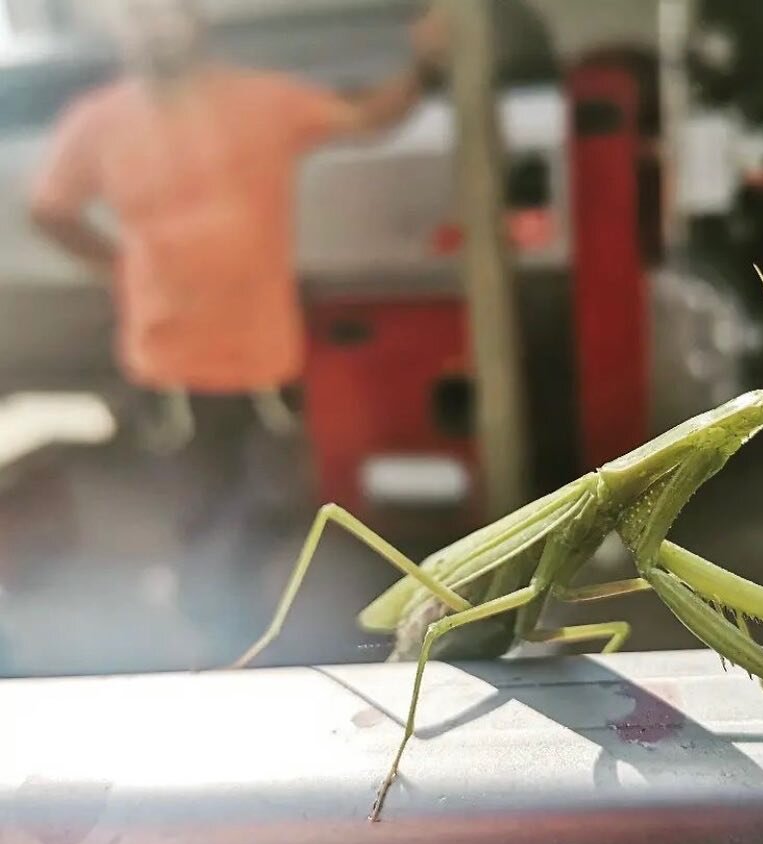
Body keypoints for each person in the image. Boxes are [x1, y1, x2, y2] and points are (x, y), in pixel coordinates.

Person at [27, 0, 449, 660]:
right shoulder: (98, 121)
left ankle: (235, 600)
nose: (153, 25)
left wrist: (422, 58)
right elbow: (49, 209)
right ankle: (218, 629)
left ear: (196, 22)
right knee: (196, 501)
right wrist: (116, 264)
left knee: (279, 497)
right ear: (120, 32)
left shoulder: (261, 99)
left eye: (166, 12)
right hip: (168, 358)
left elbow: (369, 117)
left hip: (261, 353)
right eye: (137, 14)